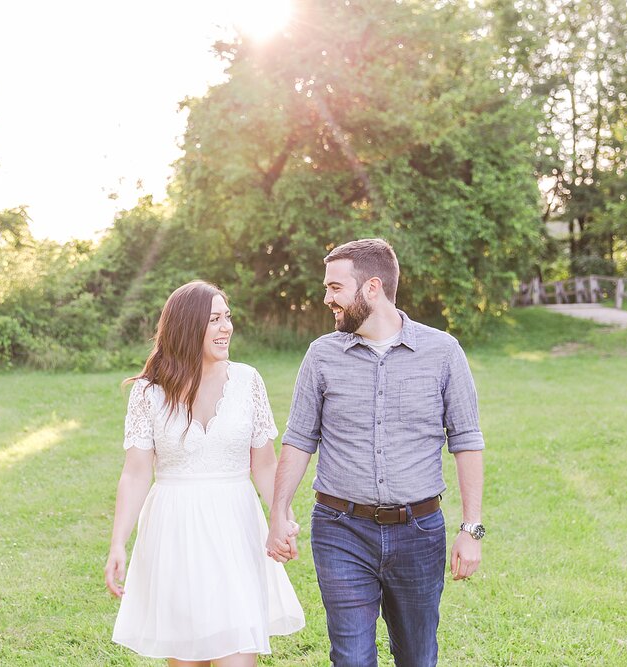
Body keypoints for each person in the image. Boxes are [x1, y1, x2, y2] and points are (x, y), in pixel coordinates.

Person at [265, 239, 485, 667]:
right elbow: (299, 437)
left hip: (419, 532)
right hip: (340, 529)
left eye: (334, 288)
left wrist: (471, 528)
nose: (327, 298)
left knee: (417, 656)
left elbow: (467, 440)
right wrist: (279, 511)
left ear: (371, 287)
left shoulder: (443, 352)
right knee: (350, 657)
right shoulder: (321, 355)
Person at [105, 281, 305, 666]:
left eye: (227, 317)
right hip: (174, 532)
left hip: (235, 528)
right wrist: (118, 543)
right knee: (186, 656)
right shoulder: (148, 393)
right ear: (186, 326)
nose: (226, 327)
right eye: (214, 320)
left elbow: (263, 463)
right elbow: (135, 474)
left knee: (237, 654)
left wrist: (282, 518)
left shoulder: (248, 381)